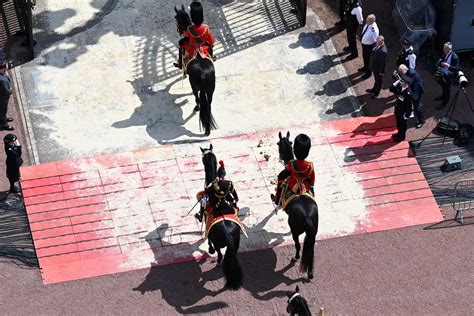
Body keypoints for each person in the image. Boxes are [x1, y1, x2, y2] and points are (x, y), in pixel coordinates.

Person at [272, 134, 315, 206]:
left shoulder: (291, 163)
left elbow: (288, 170)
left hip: (293, 184)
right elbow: (312, 179)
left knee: (280, 178)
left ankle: (277, 200)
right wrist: (311, 184)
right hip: (305, 186)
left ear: (294, 149)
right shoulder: (310, 165)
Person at [174, 1, 215, 70]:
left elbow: (186, 39)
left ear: (192, 16)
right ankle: (212, 58)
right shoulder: (206, 28)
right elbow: (211, 41)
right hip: (203, 50)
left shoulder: (189, 29)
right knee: (210, 48)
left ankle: (180, 64)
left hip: (192, 50)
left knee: (181, 48)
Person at [398, 64, 425, 128]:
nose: (401, 73)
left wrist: (403, 83)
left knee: (416, 107)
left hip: (416, 91)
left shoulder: (412, 73)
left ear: (405, 69)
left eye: (401, 72)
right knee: (413, 103)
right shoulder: (408, 71)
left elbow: (408, 82)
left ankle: (421, 120)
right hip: (413, 89)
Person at [435, 42, 460, 110]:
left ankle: (444, 103)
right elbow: (441, 61)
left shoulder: (455, 57)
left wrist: (447, 66)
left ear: (449, 49)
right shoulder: (445, 54)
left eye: (445, 48)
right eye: (443, 48)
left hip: (449, 76)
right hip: (443, 74)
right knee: (443, 86)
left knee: (447, 89)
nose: (443, 49)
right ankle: (442, 97)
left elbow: (456, 69)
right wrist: (440, 64)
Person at [358, 14, 379, 79]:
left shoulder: (374, 29)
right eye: (367, 19)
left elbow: (376, 40)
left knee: (368, 60)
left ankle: (368, 73)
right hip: (364, 45)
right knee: (365, 57)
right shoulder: (368, 24)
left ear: (372, 21)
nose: (366, 21)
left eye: (368, 20)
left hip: (368, 47)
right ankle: (365, 67)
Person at [0, 62, 14, 131]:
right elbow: (6, 91)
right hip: (2, 99)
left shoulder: (2, 75)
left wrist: (5, 75)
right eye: (5, 70)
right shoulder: (2, 80)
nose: (6, 71)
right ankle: (4, 124)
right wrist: (11, 90)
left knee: (3, 111)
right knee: (2, 111)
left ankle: (4, 119)